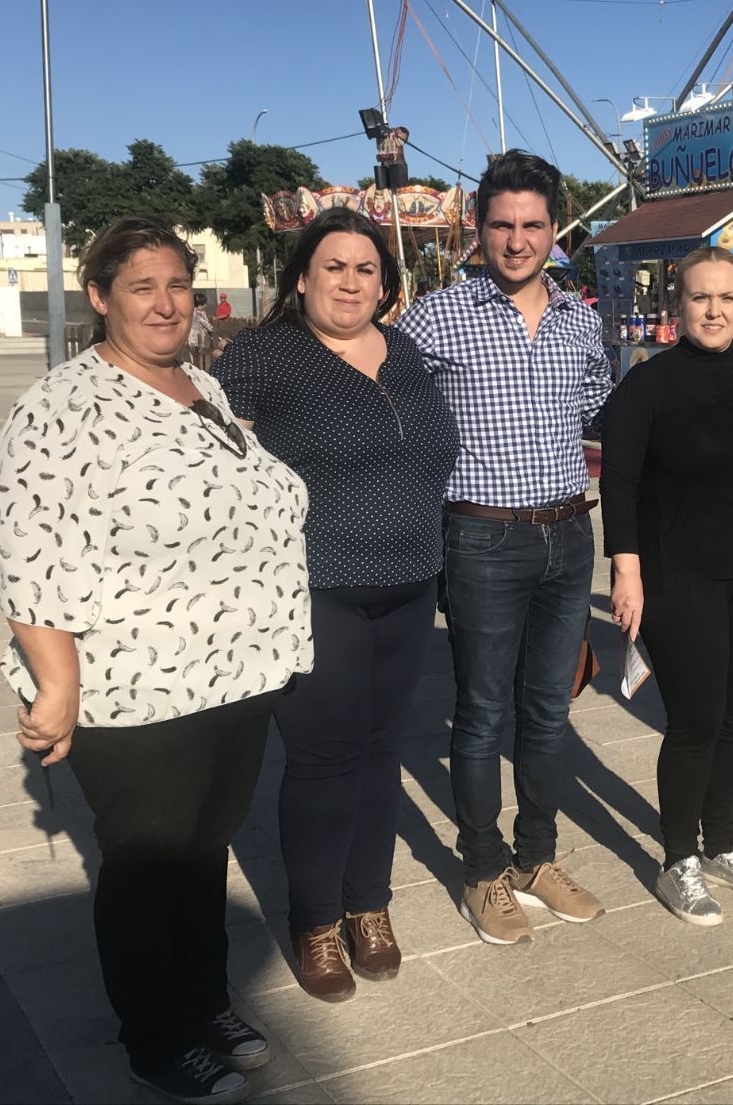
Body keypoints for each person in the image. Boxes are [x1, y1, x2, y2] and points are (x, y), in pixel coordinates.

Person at [0, 217, 313, 1105]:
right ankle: (155, 1036)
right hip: (135, 687)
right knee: (146, 865)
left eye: (177, 284)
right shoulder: (59, 408)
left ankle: (204, 1002)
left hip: (233, 674)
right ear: (99, 298)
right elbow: (27, 558)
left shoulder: (201, 385)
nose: (166, 304)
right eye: (142, 287)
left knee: (203, 852)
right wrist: (56, 686)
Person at [211, 208, 458, 999]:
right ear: (302, 278)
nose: (350, 283)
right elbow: (216, 466)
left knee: (383, 750)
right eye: (334, 267)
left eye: (365, 270)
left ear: (385, 284)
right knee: (325, 759)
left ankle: (368, 904)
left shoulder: (405, 350)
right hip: (317, 589)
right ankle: (316, 920)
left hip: (411, 584)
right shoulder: (263, 355)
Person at [396, 150, 614, 945]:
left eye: (532, 225)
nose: (517, 240)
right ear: (478, 230)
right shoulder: (436, 318)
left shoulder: (580, 319)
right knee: (483, 712)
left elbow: (598, 405)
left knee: (549, 712)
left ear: (556, 230)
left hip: (569, 534)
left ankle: (537, 858)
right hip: (482, 535)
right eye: (501, 225)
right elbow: (387, 402)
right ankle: (484, 870)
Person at [602, 246, 733, 926]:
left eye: (727, 298)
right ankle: (678, 859)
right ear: (679, 304)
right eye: (701, 297)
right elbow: (620, 485)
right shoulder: (647, 385)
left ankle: (722, 844)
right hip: (680, 573)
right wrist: (627, 573)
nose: (714, 310)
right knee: (695, 720)